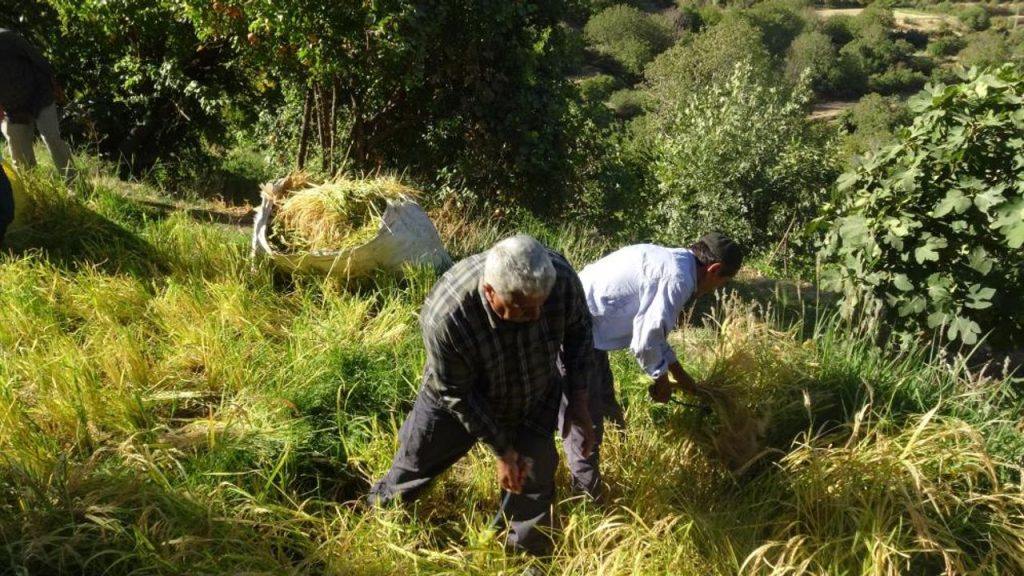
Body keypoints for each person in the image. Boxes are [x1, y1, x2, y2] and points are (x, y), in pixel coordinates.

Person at [368, 234, 597, 556]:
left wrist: (579, 402)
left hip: (535, 393)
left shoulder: (560, 279)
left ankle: (527, 558)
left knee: (535, 475)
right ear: (490, 292)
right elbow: (457, 393)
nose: (534, 317)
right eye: (521, 309)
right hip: (459, 400)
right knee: (414, 465)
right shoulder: (448, 315)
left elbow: (580, 332)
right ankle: (377, 520)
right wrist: (503, 451)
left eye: (540, 307)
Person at [559, 232, 744, 500]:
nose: (714, 290)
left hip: (591, 329)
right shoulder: (678, 279)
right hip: (574, 328)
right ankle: (586, 499)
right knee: (586, 421)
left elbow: (655, 336)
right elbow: (645, 342)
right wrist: (661, 380)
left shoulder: (673, 261)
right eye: (720, 283)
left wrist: (682, 377)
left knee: (607, 404)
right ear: (713, 270)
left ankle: (619, 461)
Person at [0, 28, 75, 183]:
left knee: (51, 137)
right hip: (12, 109)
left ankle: (74, 184)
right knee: (19, 151)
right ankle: (33, 192)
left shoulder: (6, 37)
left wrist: (54, 85)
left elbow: (37, 58)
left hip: (39, 93)